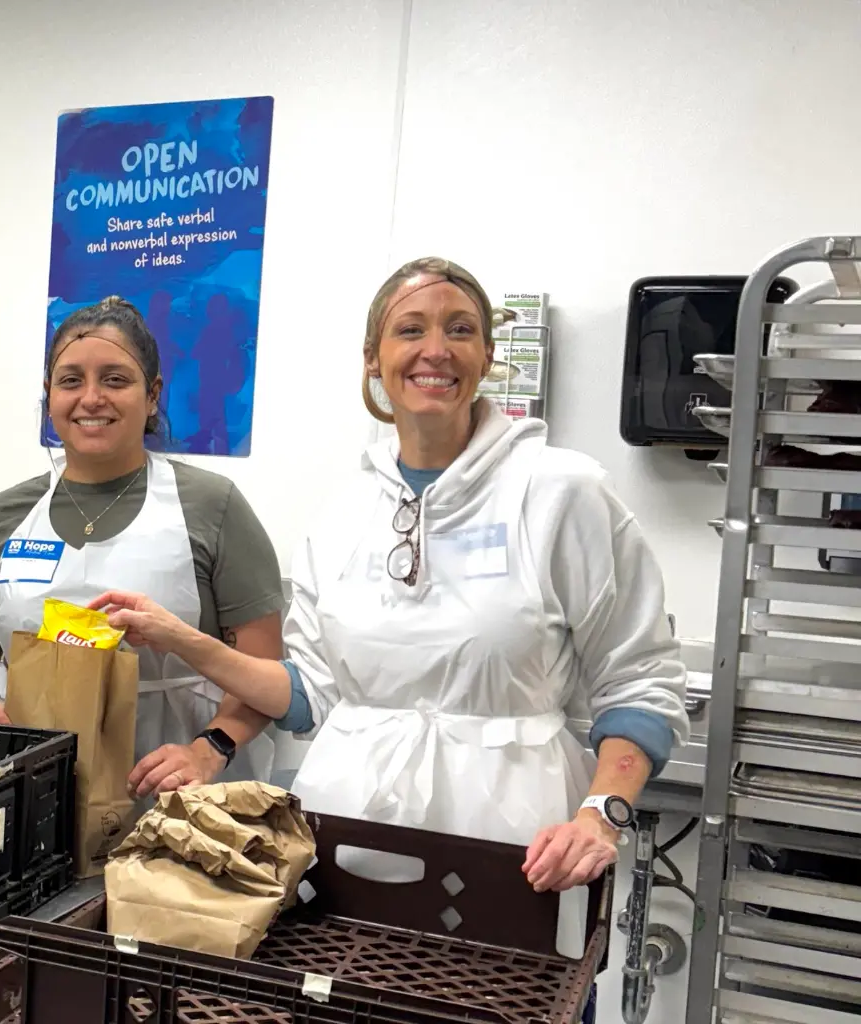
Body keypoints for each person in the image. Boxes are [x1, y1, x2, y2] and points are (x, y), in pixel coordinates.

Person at [92, 259, 688, 959]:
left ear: (487, 355)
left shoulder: (561, 493)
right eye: (411, 330)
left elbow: (639, 678)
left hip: (516, 846)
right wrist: (182, 639)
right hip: (349, 841)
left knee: (492, 996)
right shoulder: (345, 513)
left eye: (459, 330)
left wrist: (599, 815)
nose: (436, 350)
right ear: (373, 358)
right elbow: (307, 694)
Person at [0, 296, 287, 796]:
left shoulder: (212, 507)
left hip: (181, 795)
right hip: (35, 790)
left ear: (153, 395)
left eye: (115, 379)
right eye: (71, 380)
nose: (91, 398)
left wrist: (210, 748)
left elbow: (266, 672)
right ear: (49, 395)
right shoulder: (1, 518)